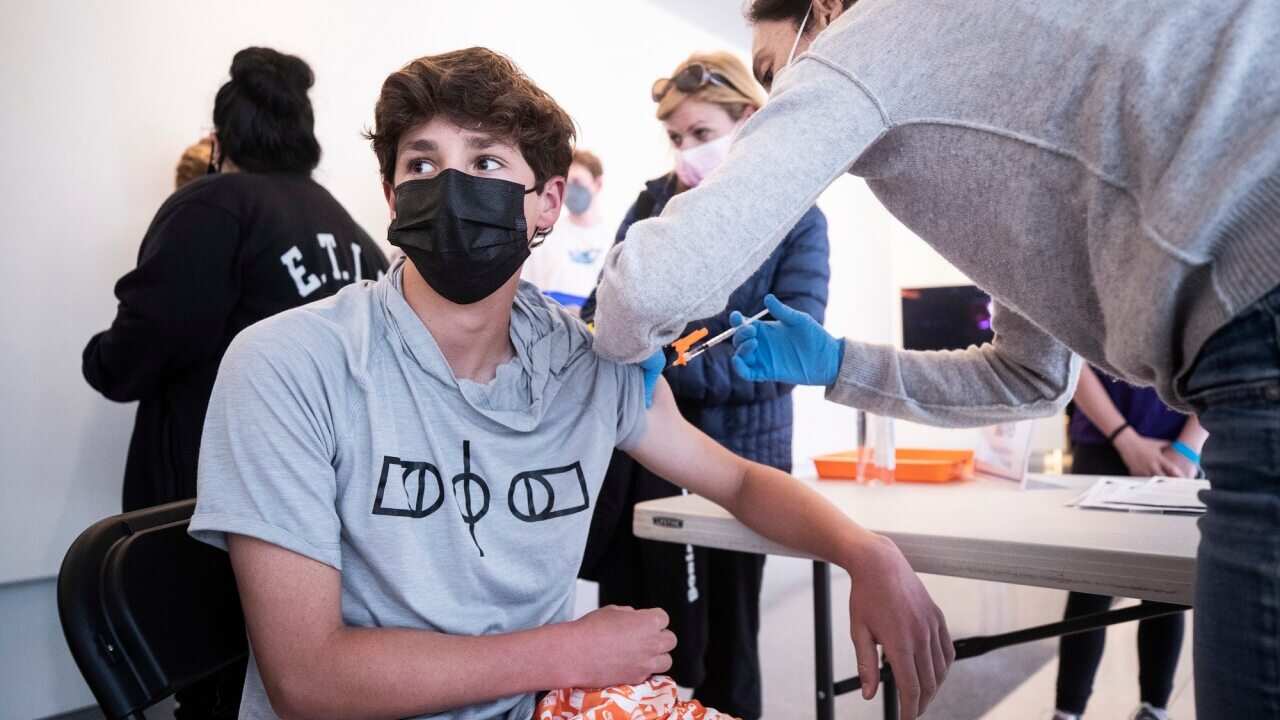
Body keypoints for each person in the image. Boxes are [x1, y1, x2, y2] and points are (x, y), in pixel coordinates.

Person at [187, 47, 951, 720]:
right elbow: (307, 679)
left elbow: (740, 484)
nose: (450, 186)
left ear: (548, 204)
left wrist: (863, 550)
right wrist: (563, 653)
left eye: (486, 163)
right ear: (392, 199)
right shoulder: (290, 365)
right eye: (421, 164)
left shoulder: (587, 365)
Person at [589, 2, 1278, 715]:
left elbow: (643, 291)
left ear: (825, 11)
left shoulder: (870, 32)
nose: (782, 98)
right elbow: (1034, 378)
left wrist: (609, 345)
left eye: (774, 71)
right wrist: (837, 364)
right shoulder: (1007, 96)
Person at [83, 47, 389, 719]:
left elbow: (137, 352)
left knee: (220, 690)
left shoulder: (213, 206)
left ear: (222, 141)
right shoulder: (352, 232)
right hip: (340, 516)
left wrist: (97, 357)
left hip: (217, 518)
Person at [579, 51, 829, 720]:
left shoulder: (796, 216)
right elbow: (603, 310)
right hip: (653, 461)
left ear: (748, 119)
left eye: (700, 134)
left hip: (744, 469)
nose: (687, 152)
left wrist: (664, 364)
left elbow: (781, 354)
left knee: (729, 653)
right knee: (638, 645)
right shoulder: (655, 202)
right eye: (676, 138)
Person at [1054, 366, 1206, 720]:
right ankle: (1066, 711)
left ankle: (1154, 709)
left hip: (1179, 450)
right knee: (1087, 589)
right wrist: (1125, 438)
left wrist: (1189, 447)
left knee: (1164, 591)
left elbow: (1224, 358)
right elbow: (1072, 359)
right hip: (1103, 439)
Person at [520, 148, 611, 313]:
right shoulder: (544, 236)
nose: (571, 190)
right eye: (567, 183)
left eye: (577, 182)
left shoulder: (613, 240)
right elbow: (524, 295)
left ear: (598, 184)